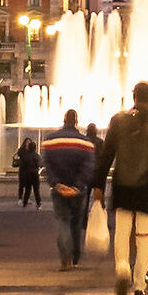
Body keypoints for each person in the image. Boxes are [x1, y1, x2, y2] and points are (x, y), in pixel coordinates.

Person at [101, 79, 148, 295]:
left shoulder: (118, 121)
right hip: (146, 188)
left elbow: (106, 155)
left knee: (122, 231)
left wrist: (97, 185)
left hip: (122, 185)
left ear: (133, 97)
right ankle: (140, 285)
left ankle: (122, 268)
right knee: (144, 234)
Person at [42, 109, 97, 267]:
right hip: (78, 191)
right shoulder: (86, 143)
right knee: (76, 223)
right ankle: (75, 257)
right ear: (76, 121)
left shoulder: (50, 141)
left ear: (64, 120)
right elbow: (88, 167)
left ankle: (65, 255)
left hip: (58, 189)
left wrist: (56, 184)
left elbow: (46, 166)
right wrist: (77, 186)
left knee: (63, 220)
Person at [14, 133, 41, 207]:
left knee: (28, 188)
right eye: (27, 142)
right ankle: (37, 203)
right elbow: (39, 164)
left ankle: (25, 202)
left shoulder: (27, 155)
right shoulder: (35, 155)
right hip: (31, 173)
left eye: (29, 142)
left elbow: (23, 163)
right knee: (31, 188)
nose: (28, 144)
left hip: (27, 172)